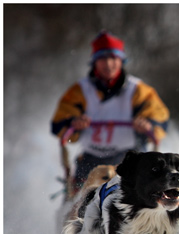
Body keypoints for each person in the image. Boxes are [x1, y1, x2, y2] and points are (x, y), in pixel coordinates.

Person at [51, 30, 170, 196]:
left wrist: (147, 125)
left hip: (129, 158)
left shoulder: (138, 90)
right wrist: (74, 124)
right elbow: (59, 125)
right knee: (77, 204)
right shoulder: (80, 90)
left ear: (121, 61)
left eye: (113, 58)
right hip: (90, 160)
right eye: (102, 59)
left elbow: (160, 120)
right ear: (94, 63)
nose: (108, 64)